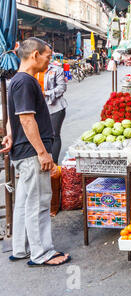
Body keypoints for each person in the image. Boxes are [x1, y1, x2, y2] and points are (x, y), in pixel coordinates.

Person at [0, 37, 71, 267]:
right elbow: (27, 119)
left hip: (23, 151)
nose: (49, 62)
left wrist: (10, 134)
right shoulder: (26, 82)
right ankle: (42, 253)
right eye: (48, 57)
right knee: (39, 202)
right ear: (35, 55)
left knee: (23, 202)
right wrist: (43, 152)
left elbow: (15, 116)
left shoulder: (18, 81)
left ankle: (21, 248)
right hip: (31, 153)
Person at [38, 61, 68, 165]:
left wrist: (45, 93)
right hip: (37, 108)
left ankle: (53, 164)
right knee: (38, 135)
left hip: (55, 107)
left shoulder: (56, 70)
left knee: (54, 135)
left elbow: (62, 88)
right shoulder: (32, 70)